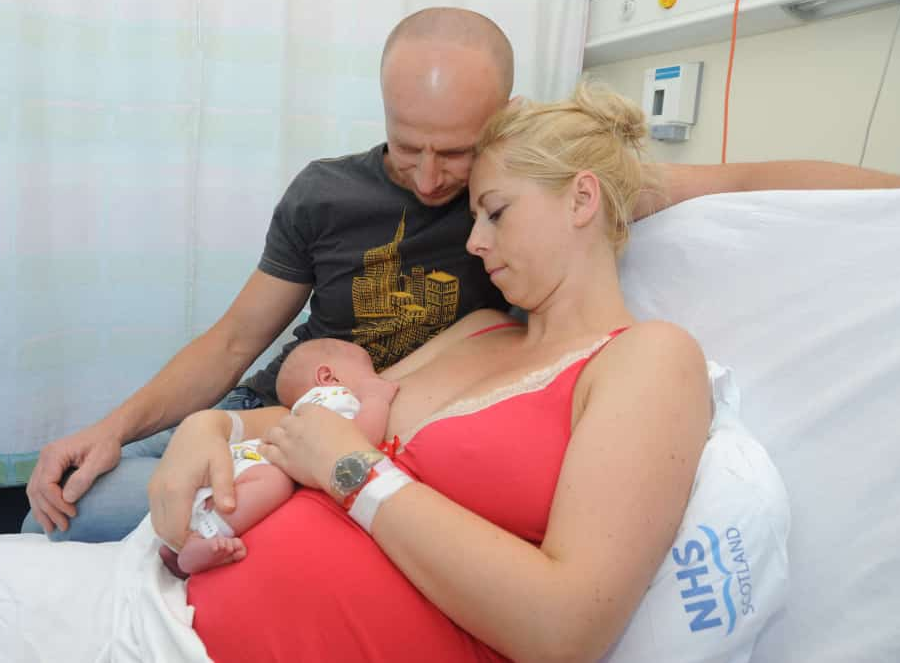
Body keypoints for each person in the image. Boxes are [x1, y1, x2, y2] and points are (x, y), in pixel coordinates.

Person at [24, 6, 900, 544]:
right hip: (270, 411)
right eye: (410, 147)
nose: (439, 179)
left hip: (357, 440)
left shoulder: (538, 194)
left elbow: (743, 180)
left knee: (81, 523)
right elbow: (233, 339)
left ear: (506, 122)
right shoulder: (324, 193)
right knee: (63, 496)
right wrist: (116, 425)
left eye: (461, 152)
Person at [145, 82, 712, 661]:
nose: (474, 241)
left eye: (496, 212)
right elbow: (324, 418)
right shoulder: (477, 331)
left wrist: (352, 471)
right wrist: (215, 429)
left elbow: (567, 627)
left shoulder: (649, 360)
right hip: (171, 616)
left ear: (581, 199)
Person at [159, 338, 397, 577]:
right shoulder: (335, 397)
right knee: (275, 482)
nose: (376, 377)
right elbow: (359, 444)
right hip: (257, 464)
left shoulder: (302, 409)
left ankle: (178, 544)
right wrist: (376, 400)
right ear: (327, 377)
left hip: (242, 455)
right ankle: (203, 537)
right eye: (370, 371)